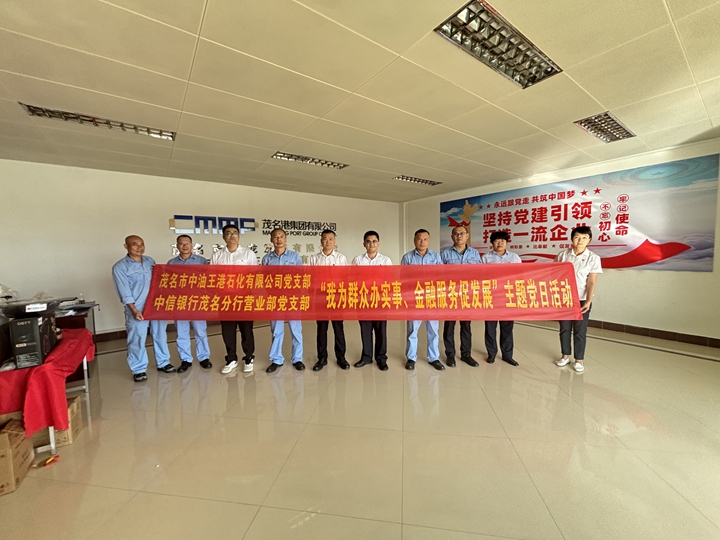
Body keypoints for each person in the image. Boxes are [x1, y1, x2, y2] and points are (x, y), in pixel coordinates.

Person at [112, 235, 174, 382]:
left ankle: (163, 362)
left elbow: (159, 281)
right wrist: (134, 310)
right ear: (126, 246)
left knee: (160, 334)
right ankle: (139, 369)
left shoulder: (150, 261)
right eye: (135, 244)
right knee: (137, 338)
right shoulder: (120, 267)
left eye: (142, 244)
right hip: (137, 307)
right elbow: (124, 291)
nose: (139, 247)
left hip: (156, 305)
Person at [211, 224, 258, 374]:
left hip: (244, 297)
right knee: (228, 330)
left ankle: (249, 357)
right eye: (228, 233)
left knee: (246, 329)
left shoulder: (248, 254)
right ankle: (231, 359)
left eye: (235, 233)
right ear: (223, 237)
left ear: (239, 236)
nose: (232, 236)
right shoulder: (217, 255)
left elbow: (255, 275)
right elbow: (212, 277)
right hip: (225, 299)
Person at [554, 226, 602, 373]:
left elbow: (592, 281)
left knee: (580, 330)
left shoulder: (593, 258)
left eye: (584, 238)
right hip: (564, 297)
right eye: (577, 237)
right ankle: (565, 356)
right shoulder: (563, 255)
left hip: (581, 299)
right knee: (564, 328)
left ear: (589, 240)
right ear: (572, 239)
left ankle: (579, 360)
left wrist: (588, 300)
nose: (580, 240)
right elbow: (553, 274)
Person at [401, 229, 445, 371]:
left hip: (431, 298)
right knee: (412, 330)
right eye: (419, 239)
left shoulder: (436, 256)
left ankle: (433, 358)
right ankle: (411, 358)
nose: (422, 242)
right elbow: (403, 279)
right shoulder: (407, 257)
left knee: (433, 330)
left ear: (429, 240)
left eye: (425, 239)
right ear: (414, 240)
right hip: (414, 299)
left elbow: (441, 277)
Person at [262, 228, 305, 373]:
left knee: (296, 330)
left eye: (281, 236)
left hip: (292, 298)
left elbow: (301, 278)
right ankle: (276, 359)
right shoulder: (267, 259)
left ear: (285, 239)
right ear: (271, 240)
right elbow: (264, 280)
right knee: (276, 330)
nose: (278, 239)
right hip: (275, 299)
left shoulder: (295, 257)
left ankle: (297, 358)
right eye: (275, 237)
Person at [168, 235, 212, 373]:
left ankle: (204, 357)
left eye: (187, 243)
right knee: (181, 333)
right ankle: (185, 359)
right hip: (180, 302)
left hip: (198, 302)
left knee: (200, 331)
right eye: (181, 244)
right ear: (177, 246)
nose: (185, 246)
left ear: (192, 245)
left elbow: (209, 281)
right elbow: (168, 283)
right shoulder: (171, 263)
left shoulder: (202, 261)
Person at [441, 225, 482, 367]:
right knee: (449, 326)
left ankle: (466, 354)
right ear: (452, 237)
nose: (459, 236)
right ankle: (450, 354)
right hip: (451, 294)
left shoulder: (474, 253)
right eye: (456, 234)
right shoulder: (445, 254)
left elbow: (480, 273)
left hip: (467, 295)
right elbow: (439, 275)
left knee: (466, 326)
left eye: (462, 233)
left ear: (467, 235)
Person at [308, 229, 349, 371]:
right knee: (321, 328)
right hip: (321, 298)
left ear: (334, 241)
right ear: (321, 241)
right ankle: (322, 358)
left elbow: (345, 279)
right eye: (325, 239)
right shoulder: (314, 258)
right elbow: (311, 280)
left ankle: (341, 357)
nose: (328, 241)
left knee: (338, 328)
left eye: (330, 239)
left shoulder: (341, 258)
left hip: (337, 297)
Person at [351, 231, 392, 370]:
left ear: (378, 243)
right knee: (365, 329)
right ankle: (366, 357)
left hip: (380, 300)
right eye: (368, 241)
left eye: (374, 241)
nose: (371, 244)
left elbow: (389, 280)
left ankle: (381, 358)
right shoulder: (357, 260)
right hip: (363, 300)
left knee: (381, 331)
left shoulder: (385, 261)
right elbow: (353, 279)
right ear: (364, 244)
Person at [481, 231, 522, 366]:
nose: (500, 243)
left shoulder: (514, 257)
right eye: (497, 241)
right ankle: (491, 353)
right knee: (490, 327)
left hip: (508, 296)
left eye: (502, 241)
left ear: (507, 242)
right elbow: (480, 276)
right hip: (491, 296)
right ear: (492, 243)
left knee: (507, 328)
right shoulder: (486, 258)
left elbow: (520, 275)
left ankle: (507, 355)